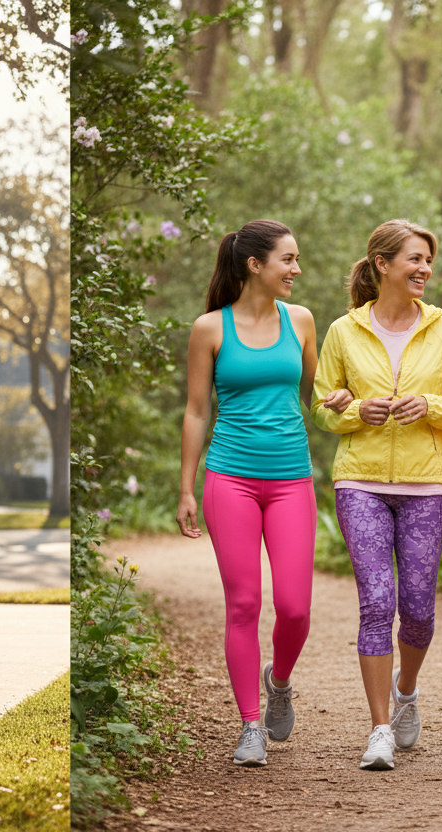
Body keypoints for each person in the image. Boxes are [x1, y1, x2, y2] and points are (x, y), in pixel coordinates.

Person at [311, 219, 442, 771]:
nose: (425, 269)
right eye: (415, 259)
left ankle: (407, 691)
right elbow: (322, 409)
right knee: (378, 603)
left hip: (426, 484)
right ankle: (379, 727)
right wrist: (358, 410)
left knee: (420, 611)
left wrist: (429, 406)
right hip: (360, 482)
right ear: (383, 265)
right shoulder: (343, 330)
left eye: (429, 260)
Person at [175, 219, 319, 768]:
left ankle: (278, 680)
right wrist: (186, 487)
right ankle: (250, 724)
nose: (296, 270)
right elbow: (195, 411)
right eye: (288, 259)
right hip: (229, 477)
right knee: (243, 604)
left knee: (295, 608)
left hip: (290, 480)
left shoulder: (301, 322)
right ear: (254, 265)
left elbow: (311, 396)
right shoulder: (210, 328)